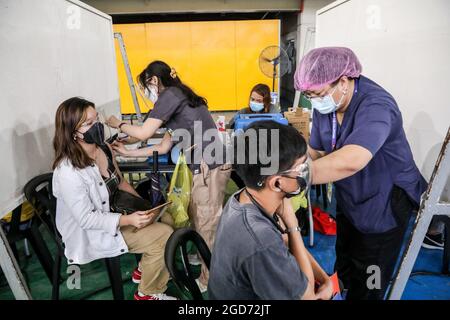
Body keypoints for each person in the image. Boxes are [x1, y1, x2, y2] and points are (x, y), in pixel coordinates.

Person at [294, 47, 428, 300]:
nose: (314, 100)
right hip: (352, 195)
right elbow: (316, 150)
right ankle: (340, 290)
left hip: (385, 198)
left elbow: (353, 159)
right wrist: (294, 165)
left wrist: (296, 177)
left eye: (317, 94)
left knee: (372, 271)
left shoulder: (376, 105)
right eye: (309, 95)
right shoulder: (327, 105)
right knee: (345, 256)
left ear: (343, 81)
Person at [105, 61, 231, 290]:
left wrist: (117, 123)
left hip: (209, 167)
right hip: (203, 167)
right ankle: (203, 255)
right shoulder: (178, 99)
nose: (147, 92)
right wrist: (128, 152)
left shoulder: (170, 95)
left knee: (207, 223)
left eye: (146, 85)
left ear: (154, 80)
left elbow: (143, 131)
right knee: (196, 216)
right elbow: (161, 147)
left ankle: (209, 279)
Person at [52, 97, 176, 300]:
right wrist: (130, 220)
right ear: (74, 132)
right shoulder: (68, 171)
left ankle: (145, 270)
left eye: (97, 119)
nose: (98, 126)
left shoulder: (103, 150)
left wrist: (146, 208)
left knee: (167, 217)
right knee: (164, 234)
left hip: (115, 212)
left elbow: (119, 183)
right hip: (92, 231)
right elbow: (86, 219)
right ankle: (148, 293)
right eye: (89, 124)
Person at [208, 121, 333, 300]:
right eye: (301, 169)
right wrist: (292, 225)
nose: (307, 173)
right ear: (276, 183)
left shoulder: (245, 196)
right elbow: (307, 297)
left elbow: (284, 242)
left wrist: (325, 279)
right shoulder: (260, 238)